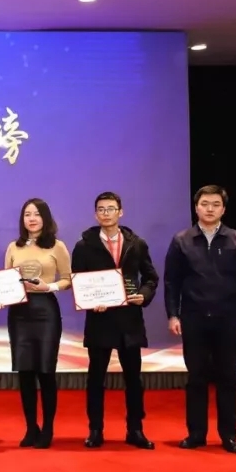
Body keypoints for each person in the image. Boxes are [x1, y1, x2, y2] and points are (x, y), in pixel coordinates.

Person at [164, 185, 236, 454]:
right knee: (196, 378)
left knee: (227, 378)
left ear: (223, 209)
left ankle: (229, 435)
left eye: (216, 204)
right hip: (193, 319)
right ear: (196, 207)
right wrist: (173, 315)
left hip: (228, 319)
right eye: (204, 204)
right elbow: (172, 282)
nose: (209, 209)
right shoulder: (181, 240)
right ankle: (196, 434)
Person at [70, 192, 157, 450]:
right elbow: (78, 281)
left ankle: (135, 430)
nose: (106, 213)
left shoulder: (137, 244)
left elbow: (151, 278)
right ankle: (95, 430)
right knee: (96, 378)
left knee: (134, 379)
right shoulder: (84, 246)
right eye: (101, 209)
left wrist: (143, 295)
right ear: (95, 214)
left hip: (129, 320)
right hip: (99, 320)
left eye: (111, 208)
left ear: (121, 212)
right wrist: (90, 301)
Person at [2, 198, 72, 450]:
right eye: (27, 214)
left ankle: (48, 428)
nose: (32, 219)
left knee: (45, 371)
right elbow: (5, 280)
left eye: (37, 214)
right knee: (25, 372)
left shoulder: (57, 246)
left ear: (45, 217)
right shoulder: (13, 247)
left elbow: (67, 279)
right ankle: (31, 427)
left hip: (45, 311)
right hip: (19, 312)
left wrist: (48, 287)